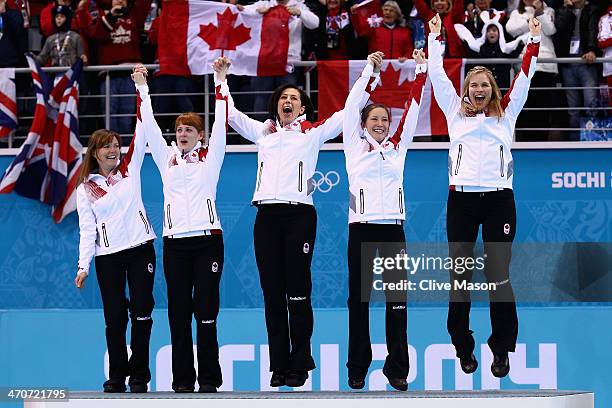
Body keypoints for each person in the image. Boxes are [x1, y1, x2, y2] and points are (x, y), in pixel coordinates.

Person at [427, 13, 540, 377]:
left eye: (484, 85)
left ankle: (501, 348)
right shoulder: (453, 113)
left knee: (498, 274)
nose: (478, 90)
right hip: (461, 200)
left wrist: (533, 41)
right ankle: (462, 345)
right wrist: (435, 39)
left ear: (492, 89)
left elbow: (525, 77)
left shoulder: (506, 114)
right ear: (466, 89)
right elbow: (437, 76)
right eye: (473, 84)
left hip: (498, 201)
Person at [226, 74, 344, 389]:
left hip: (299, 216)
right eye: (282, 98)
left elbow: (346, 114)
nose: (287, 102)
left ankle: (300, 362)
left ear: (303, 106)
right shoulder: (263, 132)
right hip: (266, 216)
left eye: (293, 98)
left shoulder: (312, 133)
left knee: (298, 292)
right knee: (272, 295)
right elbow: (230, 114)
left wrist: (368, 77)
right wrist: (221, 80)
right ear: (276, 105)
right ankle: (278, 364)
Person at [131, 57, 230, 393]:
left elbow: (221, 122)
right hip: (175, 244)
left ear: (200, 136)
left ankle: (210, 382)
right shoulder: (166, 160)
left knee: (206, 313)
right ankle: (183, 382)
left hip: (207, 242)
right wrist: (142, 88)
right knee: (178, 316)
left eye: (189, 129)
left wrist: (220, 80)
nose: (182, 133)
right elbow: (149, 125)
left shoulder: (211, 158)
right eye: (179, 129)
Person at [342, 49, 427, 391]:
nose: (380, 124)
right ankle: (358, 367)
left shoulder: (397, 148)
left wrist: (421, 69)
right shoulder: (353, 146)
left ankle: (396, 369)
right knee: (359, 301)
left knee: (397, 302)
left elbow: (414, 109)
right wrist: (368, 71)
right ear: (363, 126)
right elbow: (350, 106)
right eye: (373, 120)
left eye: (384, 120)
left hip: (393, 230)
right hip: (361, 229)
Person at [74, 125, 156, 392]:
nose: (112, 150)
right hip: (108, 256)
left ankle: (140, 375)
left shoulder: (130, 169)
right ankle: (117, 376)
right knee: (115, 317)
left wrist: (142, 89)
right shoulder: (87, 188)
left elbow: (141, 129)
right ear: (95, 153)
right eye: (106, 146)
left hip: (140, 249)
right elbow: (87, 230)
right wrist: (83, 266)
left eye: (115, 145)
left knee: (142, 310)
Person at [88, 0, 152, 136]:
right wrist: (111, 16)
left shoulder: (134, 14)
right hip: (109, 74)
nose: (120, 1)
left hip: (131, 73)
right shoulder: (100, 13)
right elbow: (94, 35)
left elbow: (145, 3)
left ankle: (125, 146)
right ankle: (111, 143)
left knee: (128, 111)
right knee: (109, 111)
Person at [506, 0, 557, 141]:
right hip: (524, 64)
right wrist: (531, 18)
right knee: (524, 104)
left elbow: (550, 30)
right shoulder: (517, 13)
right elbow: (511, 29)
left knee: (542, 106)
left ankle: (542, 140)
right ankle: (526, 139)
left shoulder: (548, 11)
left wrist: (539, 13)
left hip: (545, 65)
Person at [554, 0, 602, 140]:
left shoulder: (592, 9)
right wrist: (567, 9)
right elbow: (559, 29)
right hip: (568, 63)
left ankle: (592, 139)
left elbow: (593, 30)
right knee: (572, 107)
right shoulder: (563, 11)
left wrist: (592, 50)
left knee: (590, 103)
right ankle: (574, 141)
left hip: (587, 62)